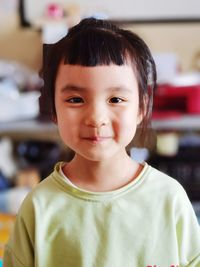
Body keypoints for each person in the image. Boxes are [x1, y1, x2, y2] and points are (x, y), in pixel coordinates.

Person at [3, 18, 200, 267]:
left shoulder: (170, 199)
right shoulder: (39, 207)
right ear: (52, 107)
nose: (96, 118)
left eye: (116, 99)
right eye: (75, 99)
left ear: (142, 106)